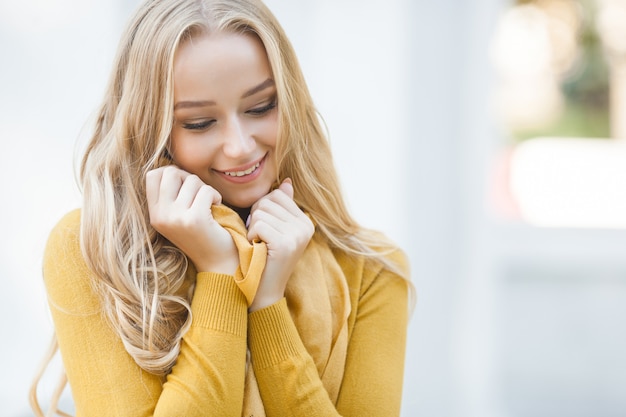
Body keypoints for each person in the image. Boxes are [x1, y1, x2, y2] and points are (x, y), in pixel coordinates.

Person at [30, 0, 414, 416]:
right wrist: (220, 273)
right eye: (199, 123)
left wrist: (268, 305)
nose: (240, 146)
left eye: (261, 107)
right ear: (149, 128)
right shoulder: (92, 249)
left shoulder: (373, 270)